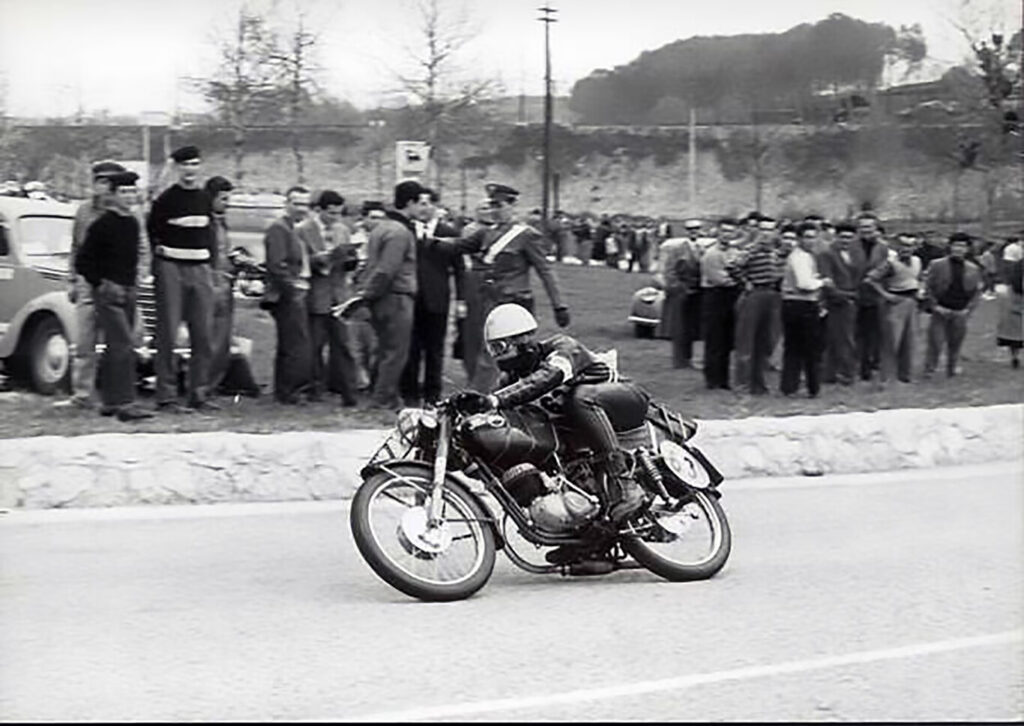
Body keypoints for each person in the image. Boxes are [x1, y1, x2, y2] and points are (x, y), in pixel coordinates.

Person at [453, 303, 649, 532]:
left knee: (580, 397)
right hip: (581, 432)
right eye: (493, 350)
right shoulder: (509, 381)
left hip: (625, 401)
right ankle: (583, 531)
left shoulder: (562, 347)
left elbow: (549, 376)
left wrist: (495, 399)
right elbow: (500, 414)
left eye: (501, 347)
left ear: (522, 339)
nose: (499, 356)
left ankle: (623, 481)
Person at [437, 182, 570, 393]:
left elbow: (545, 270)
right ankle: (489, 397)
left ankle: (484, 399)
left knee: (512, 355)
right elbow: (459, 246)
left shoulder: (527, 235)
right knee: (490, 353)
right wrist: (430, 241)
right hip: (490, 301)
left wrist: (559, 305)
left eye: (499, 205)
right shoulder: (486, 233)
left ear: (512, 206)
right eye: (492, 206)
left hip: (515, 302)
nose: (495, 211)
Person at [73, 171, 153, 422]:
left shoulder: (131, 222)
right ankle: (126, 403)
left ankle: (110, 401)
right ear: (114, 194)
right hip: (109, 292)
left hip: (129, 290)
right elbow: (83, 260)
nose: (129, 197)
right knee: (123, 345)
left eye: (132, 191)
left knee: (114, 347)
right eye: (124, 192)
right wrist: (100, 283)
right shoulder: (102, 224)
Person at [146, 145, 218, 413]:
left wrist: (212, 269)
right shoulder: (165, 200)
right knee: (168, 333)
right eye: (185, 164)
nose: (190, 169)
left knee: (203, 334)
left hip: (200, 270)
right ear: (177, 168)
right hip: (171, 268)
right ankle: (166, 397)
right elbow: (153, 233)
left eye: (195, 164)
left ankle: (198, 393)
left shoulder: (204, 198)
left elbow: (210, 235)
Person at [352, 180, 432, 410]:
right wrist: (369, 294)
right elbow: (387, 269)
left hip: (383, 297)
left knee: (385, 349)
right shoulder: (400, 232)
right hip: (396, 296)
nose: (422, 209)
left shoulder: (381, 228)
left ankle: (389, 396)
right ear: (410, 202)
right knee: (395, 352)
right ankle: (381, 399)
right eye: (419, 203)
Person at [65, 160, 126, 409]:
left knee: (120, 339)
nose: (105, 187)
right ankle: (82, 394)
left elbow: (138, 249)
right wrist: (71, 279)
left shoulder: (125, 213)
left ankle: (116, 395)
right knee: (84, 341)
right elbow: (76, 249)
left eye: (110, 182)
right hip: (86, 283)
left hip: (114, 283)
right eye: (100, 181)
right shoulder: (83, 211)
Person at [399, 189, 465, 406]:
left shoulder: (449, 232)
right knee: (411, 347)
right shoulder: (406, 231)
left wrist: (461, 299)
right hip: (412, 297)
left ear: (436, 206)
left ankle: (432, 394)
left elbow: (460, 268)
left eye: (428, 203)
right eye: (420, 203)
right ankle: (409, 393)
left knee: (435, 349)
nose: (424, 207)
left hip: (438, 298)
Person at [296, 189, 358, 405]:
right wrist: (318, 260)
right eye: (331, 214)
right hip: (317, 293)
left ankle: (348, 390)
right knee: (315, 345)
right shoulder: (303, 230)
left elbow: (349, 261)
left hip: (338, 295)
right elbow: (299, 262)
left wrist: (351, 259)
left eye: (338, 214)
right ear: (319, 210)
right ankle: (315, 389)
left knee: (344, 345)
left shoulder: (343, 230)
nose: (335, 218)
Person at [261, 186, 315, 404]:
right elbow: (276, 265)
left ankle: (286, 390)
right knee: (294, 343)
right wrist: (293, 288)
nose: (302, 209)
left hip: (293, 291)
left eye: (305, 204)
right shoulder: (279, 228)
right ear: (287, 204)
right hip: (286, 294)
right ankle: (289, 391)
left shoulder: (291, 228)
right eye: (297, 203)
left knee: (292, 342)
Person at [731, 219, 783, 394]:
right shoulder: (750, 250)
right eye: (763, 230)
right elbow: (733, 266)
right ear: (758, 232)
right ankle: (742, 383)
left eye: (770, 230)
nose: (767, 234)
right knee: (746, 340)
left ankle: (758, 383)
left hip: (771, 295)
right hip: (754, 295)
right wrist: (745, 282)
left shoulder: (774, 253)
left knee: (764, 341)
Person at [780, 223, 831, 397]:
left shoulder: (804, 256)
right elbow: (804, 284)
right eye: (807, 237)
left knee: (793, 347)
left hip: (793, 303)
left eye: (813, 237)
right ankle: (812, 387)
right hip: (802, 304)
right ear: (800, 238)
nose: (811, 241)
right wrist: (822, 282)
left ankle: (790, 386)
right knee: (810, 348)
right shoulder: (800, 257)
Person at [922, 232, 983, 378]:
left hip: (960, 311)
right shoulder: (937, 265)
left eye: (962, 246)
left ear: (968, 249)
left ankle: (952, 368)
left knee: (955, 343)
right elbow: (927, 287)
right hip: (941, 310)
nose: (958, 249)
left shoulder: (973, 268)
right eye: (956, 245)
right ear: (950, 247)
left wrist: (968, 310)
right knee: (935, 342)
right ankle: (930, 369)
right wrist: (935, 306)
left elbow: (977, 292)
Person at [865, 231, 923, 387]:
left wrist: (920, 291)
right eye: (903, 246)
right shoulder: (890, 263)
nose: (906, 249)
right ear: (896, 247)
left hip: (912, 302)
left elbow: (917, 278)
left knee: (909, 340)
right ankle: (886, 378)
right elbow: (870, 279)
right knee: (892, 341)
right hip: (895, 303)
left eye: (910, 246)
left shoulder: (917, 261)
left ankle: (905, 376)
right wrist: (885, 295)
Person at [700, 218, 743, 390]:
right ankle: (712, 379)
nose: (727, 235)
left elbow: (741, 268)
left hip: (731, 297)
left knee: (727, 340)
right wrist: (737, 279)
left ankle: (723, 379)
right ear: (717, 232)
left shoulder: (735, 251)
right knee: (714, 339)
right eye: (724, 231)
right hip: (715, 296)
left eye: (730, 231)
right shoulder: (711, 254)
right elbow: (719, 278)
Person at [816, 222, 860, 386]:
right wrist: (845, 296)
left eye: (849, 237)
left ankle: (832, 373)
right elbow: (827, 280)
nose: (846, 240)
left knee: (842, 337)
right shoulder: (826, 254)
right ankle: (846, 373)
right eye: (842, 237)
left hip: (851, 300)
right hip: (836, 301)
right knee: (841, 338)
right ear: (836, 237)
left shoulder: (854, 254)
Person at [204, 175, 236, 394]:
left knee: (222, 338)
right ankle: (204, 384)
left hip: (225, 281)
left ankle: (212, 382)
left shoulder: (222, 222)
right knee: (212, 338)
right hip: (212, 284)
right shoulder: (207, 224)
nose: (228, 203)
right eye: (223, 199)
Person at [850, 213, 889, 382]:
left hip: (875, 295)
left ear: (875, 229)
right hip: (854, 293)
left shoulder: (882, 247)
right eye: (862, 227)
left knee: (873, 332)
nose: (866, 230)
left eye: (869, 227)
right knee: (855, 332)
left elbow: (886, 269)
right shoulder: (850, 246)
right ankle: (856, 364)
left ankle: (870, 364)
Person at [995, 236, 1023, 369]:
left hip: (1016, 298)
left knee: (1015, 332)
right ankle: (1015, 357)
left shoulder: (1018, 265)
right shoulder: (1018, 265)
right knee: (1015, 332)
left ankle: (1015, 356)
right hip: (1018, 298)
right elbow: (1015, 283)